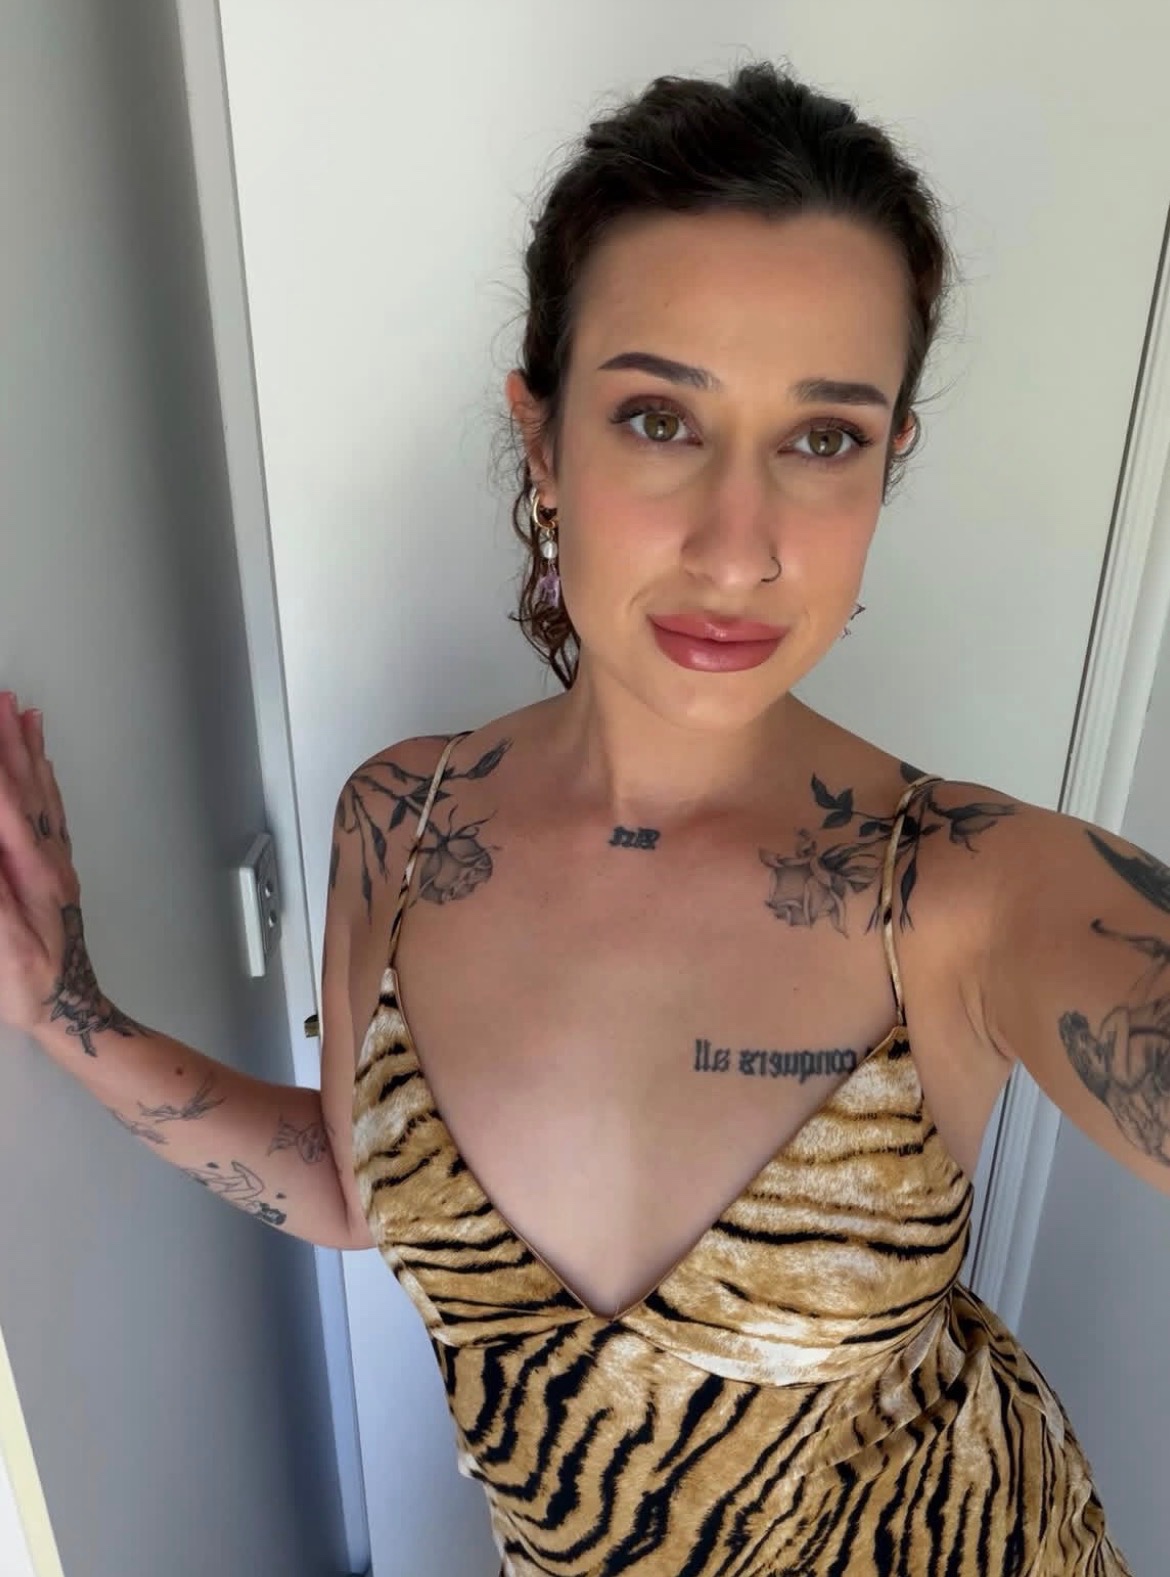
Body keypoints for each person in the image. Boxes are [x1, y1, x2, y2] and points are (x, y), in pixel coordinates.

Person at [0, 56, 1160, 1577]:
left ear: (888, 463)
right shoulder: (401, 824)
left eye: (824, 438)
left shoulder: (963, 890)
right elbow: (360, 1188)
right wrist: (66, 1010)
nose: (737, 546)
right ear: (542, 441)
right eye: (658, 419)